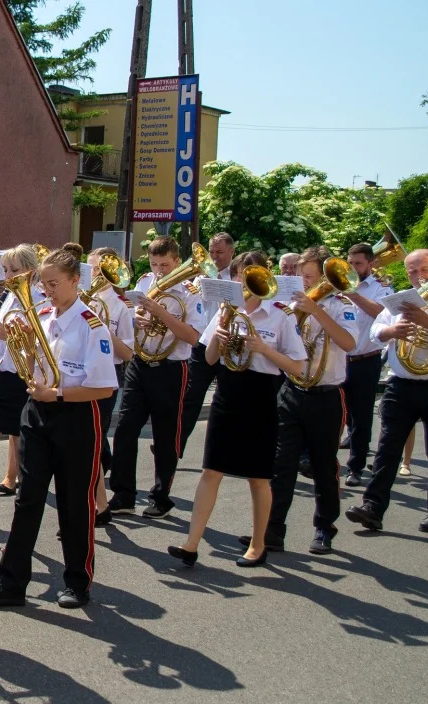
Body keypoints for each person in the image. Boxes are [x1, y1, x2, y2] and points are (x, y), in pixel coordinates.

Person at [0, 248, 117, 609]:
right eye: (43, 283)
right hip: (36, 412)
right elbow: (28, 357)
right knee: (27, 499)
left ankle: (77, 582)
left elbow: (104, 387)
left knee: (74, 502)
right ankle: (11, 584)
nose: (47, 290)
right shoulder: (41, 315)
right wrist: (11, 337)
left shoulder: (90, 324)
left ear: (74, 281)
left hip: (76, 417)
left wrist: (58, 394)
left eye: (54, 283)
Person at [167, 251, 306, 568]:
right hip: (228, 392)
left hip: (260, 395)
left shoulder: (280, 314)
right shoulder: (227, 310)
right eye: (241, 275)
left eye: (251, 275)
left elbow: (298, 367)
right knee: (211, 470)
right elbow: (211, 359)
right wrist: (218, 335)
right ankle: (191, 544)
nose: (245, 282)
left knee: (258, 477)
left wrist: (264, 348)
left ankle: (258, 544)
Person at [346, 249, 428, 534]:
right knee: (387, 447)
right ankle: (372, 508)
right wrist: (393, 332)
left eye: (423, 269)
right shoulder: (400, 298)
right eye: (412, 271)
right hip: (401, 383)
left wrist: (427, 322)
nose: (417, 276)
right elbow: (375, 331)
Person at [262, 246, 357, 555]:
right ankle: (273, 530)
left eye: (310, 277)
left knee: (323, 466)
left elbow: (349, 342)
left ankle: (324, 527)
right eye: (301, 277)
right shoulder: (291, 305)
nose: (304, 283)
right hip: (292, 390)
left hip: (326, 395)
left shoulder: (341, 305)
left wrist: (315, 310)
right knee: (282, 464)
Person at [108, 236, 203, 518]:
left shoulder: (189, 292)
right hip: (140, 363)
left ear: (177, 261)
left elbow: (194, 337)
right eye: (154, 264)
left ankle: (160, 496)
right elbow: (133, 317)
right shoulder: (144, 282)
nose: (159, 270)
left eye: (165, 264)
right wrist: (139, 319)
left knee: (165, 435)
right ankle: (123, 494)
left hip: (171, 367)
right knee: (125, 429)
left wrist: (161, 315)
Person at [0, 245, 40, 497]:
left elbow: (41, 340)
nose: (8, 275)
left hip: (21, 374)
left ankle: (13, 477)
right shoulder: (2, 299)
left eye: (15, 270)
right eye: (5, 270)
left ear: (31, 270)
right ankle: (7, 478)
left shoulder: (38, 298)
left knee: (18, 433)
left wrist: (7, 335)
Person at [86, 246, 135, 525]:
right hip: (82, 372)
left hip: (108, 373)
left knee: (95, 435)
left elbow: (128, 353)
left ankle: (97, 502)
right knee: (92, 438)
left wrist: (103, 328)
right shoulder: (83, 301)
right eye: (91, 269)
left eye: (98, 269)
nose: (94, 274)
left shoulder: (119, 307)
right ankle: (99, 499)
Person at [339, 243, 393, 486]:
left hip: (365, 360)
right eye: (350, 263)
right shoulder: (336, 282)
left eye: (358, 264)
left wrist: (352, 294)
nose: (353, 268)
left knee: (361, 416)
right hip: (339, 359)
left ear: (371, 264)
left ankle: (356, 467)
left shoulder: (382, 288)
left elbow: (379, 312)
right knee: (339, 412)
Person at [178, 232, 236, 453]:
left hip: (227, 343)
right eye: (212, 252)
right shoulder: (201, 277)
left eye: (219, 252)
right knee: (190, 397)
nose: (214, 257)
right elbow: (194, 306)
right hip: (203, 343)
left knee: (227, 400)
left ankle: (226, 450)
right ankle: (177, 444)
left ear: (232, 251)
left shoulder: (237, 277)